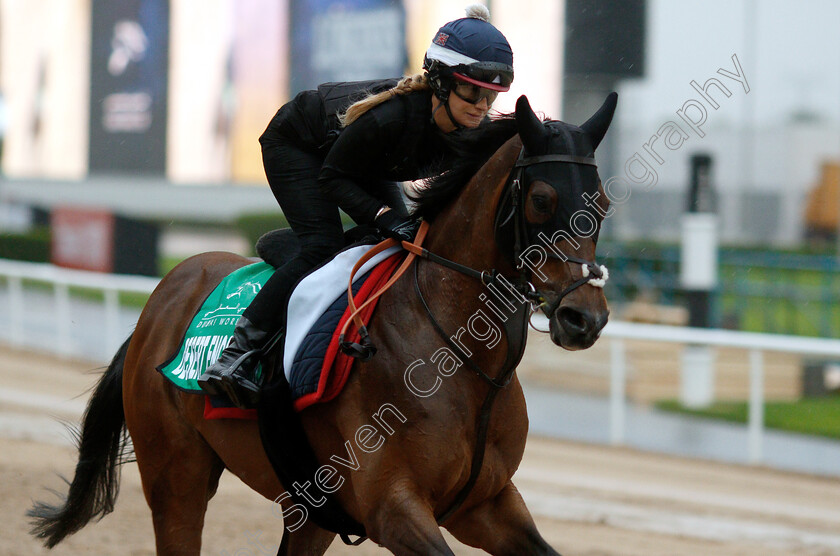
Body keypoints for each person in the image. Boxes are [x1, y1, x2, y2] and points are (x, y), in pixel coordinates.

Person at [197, 4, 515, 408]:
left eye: (491, 94)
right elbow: (332, 178)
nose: (482, 105)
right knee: (321, 247)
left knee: (402, 241)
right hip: (299, 146)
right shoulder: (391, 118)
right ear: (440, 82)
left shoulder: (471, 132)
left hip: (366, 161)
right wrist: (384, 217)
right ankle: (237, 355)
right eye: (472, 91)